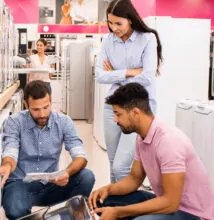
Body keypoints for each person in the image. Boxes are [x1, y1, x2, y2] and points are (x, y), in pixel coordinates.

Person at [88, 83, 214, 220]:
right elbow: (134, 179)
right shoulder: (141, 136)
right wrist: (108, 189)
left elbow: (171, 203)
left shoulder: (168, 141)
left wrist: (119, 212)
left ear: (135, 113)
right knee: (105, 202)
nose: (115, 120)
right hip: (167, 202)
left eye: (118, 114)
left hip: (191, 213)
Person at [0, 80, 95, 220]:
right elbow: (10, 151)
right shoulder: (14, 122)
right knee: (14, 210)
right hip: (20, 183)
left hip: (52, 184)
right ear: (26, 105)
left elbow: (80, 156)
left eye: (46, 107)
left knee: (86, 177)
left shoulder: (63, 122)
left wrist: (66, 172)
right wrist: (7, 165)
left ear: (51, 101)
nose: (42, 114)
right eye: (36, 109)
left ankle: (71, 215)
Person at [95, 0, 163, 183]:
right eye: (110, 22)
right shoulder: (108, 40)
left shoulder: (147, 39)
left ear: (130, 20)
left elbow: (148, 76)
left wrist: (115, 76)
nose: (113, 27)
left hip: (137, 108)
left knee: (121, 167)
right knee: (112, 163)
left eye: (118, 23)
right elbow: (99, 75)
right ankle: (115, 207)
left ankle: (124, 210)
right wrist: (129, 72)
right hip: (112, 107)